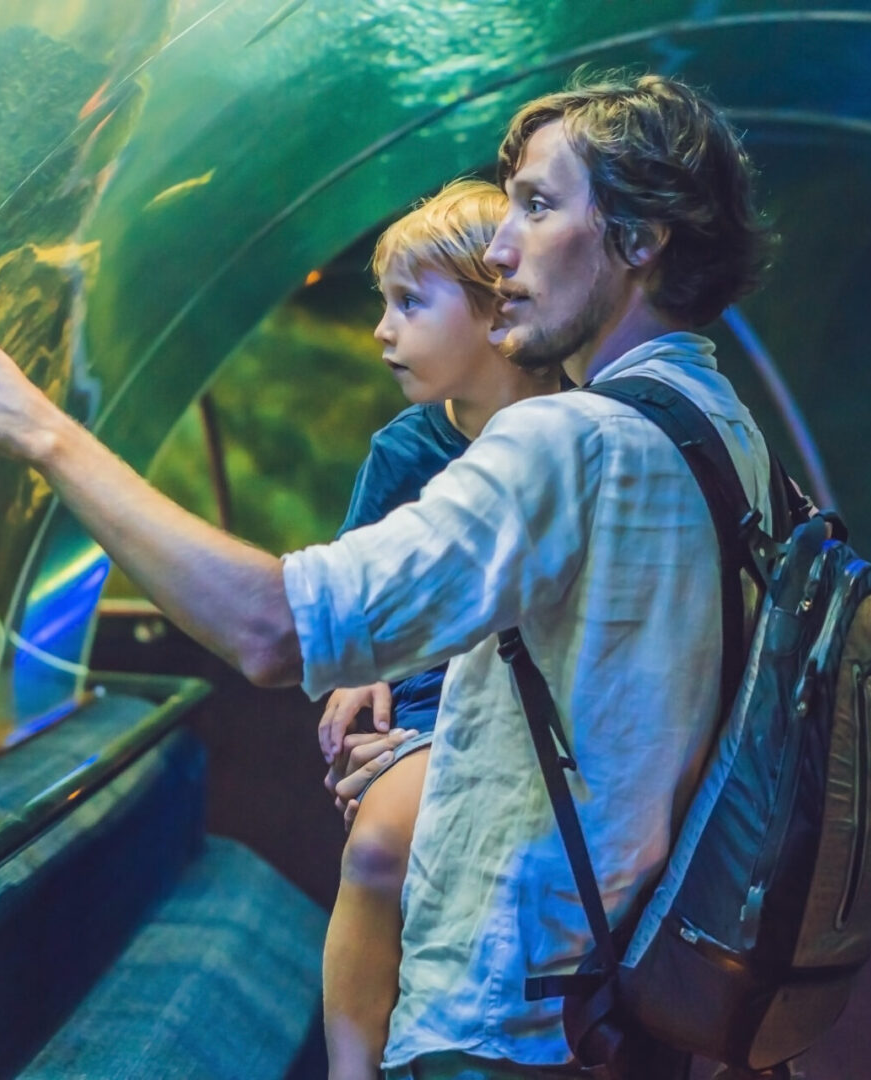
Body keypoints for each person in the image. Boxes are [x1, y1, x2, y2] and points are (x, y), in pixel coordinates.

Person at [0, 69, 775, 1078]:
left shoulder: (571, 443)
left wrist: (46, 433)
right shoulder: (719, 427)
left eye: (537, 204)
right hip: (634, 998)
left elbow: (274, 627)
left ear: (639, 236)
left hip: (521, 1015)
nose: (499, 246)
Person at [318, 178, 560, 1080]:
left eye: (410, 304)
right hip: (424, 702)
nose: (385, 330)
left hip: (524, 717)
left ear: (495, 305)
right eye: (385, 305)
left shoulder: (569, 437)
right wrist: (354, 672)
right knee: (379, 849)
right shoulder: (405, 450)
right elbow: (357, 598)